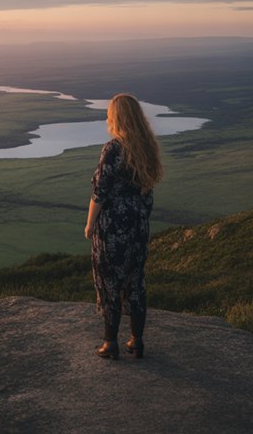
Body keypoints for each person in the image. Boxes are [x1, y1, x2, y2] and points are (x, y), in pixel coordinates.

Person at [85, 93, 163, 360]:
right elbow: (148, 190)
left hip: (113, 228)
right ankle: (136, 341)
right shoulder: (147, 147)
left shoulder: (114, 148)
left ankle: (110, 343)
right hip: (138, 226)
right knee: (135, 280)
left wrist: (89, 225)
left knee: (110, 282)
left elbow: (99, 193)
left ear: (116, 117)